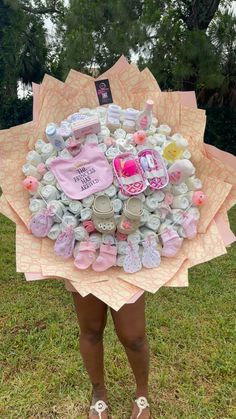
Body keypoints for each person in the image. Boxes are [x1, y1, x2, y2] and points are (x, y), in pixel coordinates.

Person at [71, 291, 151, 418]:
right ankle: (98, 394)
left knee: (134, 338)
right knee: (91, 332)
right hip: (85, 272)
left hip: (126, 272)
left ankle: (142, 393)